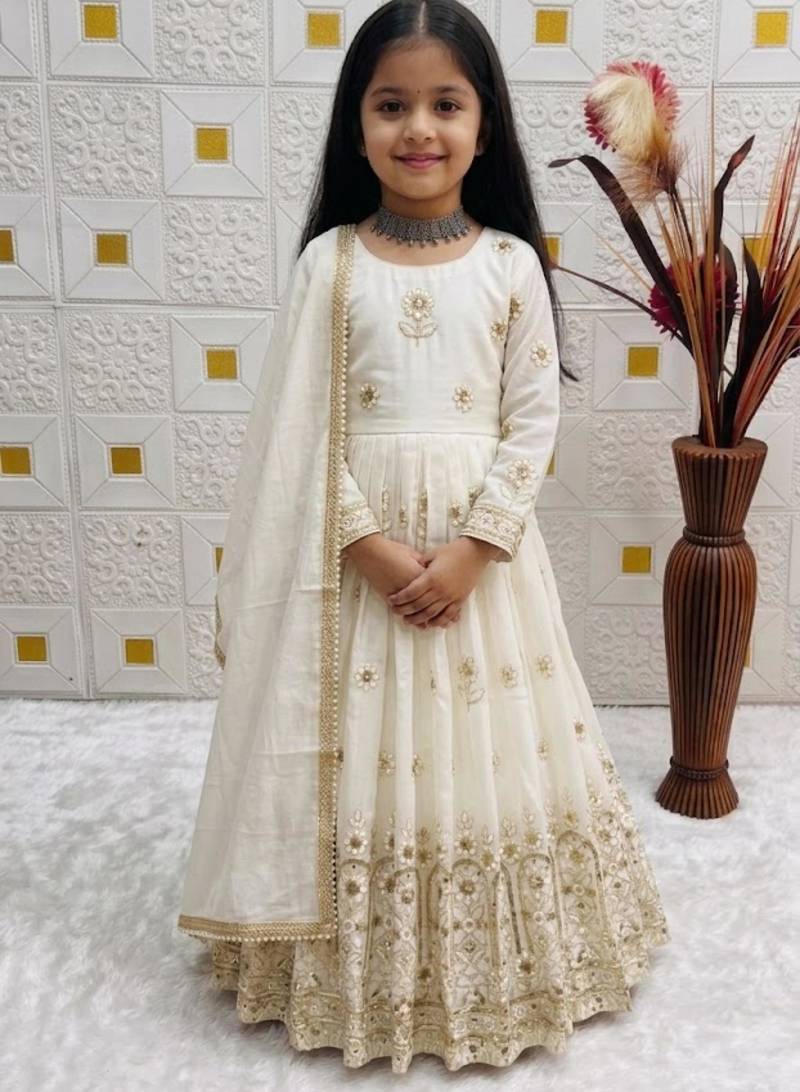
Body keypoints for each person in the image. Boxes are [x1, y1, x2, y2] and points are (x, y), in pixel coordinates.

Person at [176, 0, 671, 1072]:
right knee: (356, 759)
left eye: (446, 104)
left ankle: (498, 964)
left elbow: (531, 421)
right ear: (355, 126)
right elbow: (296, 432)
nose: (418, 129)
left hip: (485, 573)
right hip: (351, 566)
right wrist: (364, 544)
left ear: (483, 127)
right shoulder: (328, 265)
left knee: (481, 754)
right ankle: (351, 964)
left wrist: (474, 550)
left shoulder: (509, 264)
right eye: (390, 104)